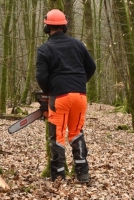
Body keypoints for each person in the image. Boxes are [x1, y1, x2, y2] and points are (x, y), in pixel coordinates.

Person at [35, 9, 96, 183]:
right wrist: (80, 82)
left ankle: (58, 174)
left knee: (58, 135)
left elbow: (41, 76)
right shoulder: (78, 45)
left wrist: (48, 92)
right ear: (64, 26)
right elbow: (91, 67)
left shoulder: (44, 49)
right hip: (80, 96)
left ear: (47, 27)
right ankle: (83, 173)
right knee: (76, 133)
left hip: (59, 97)